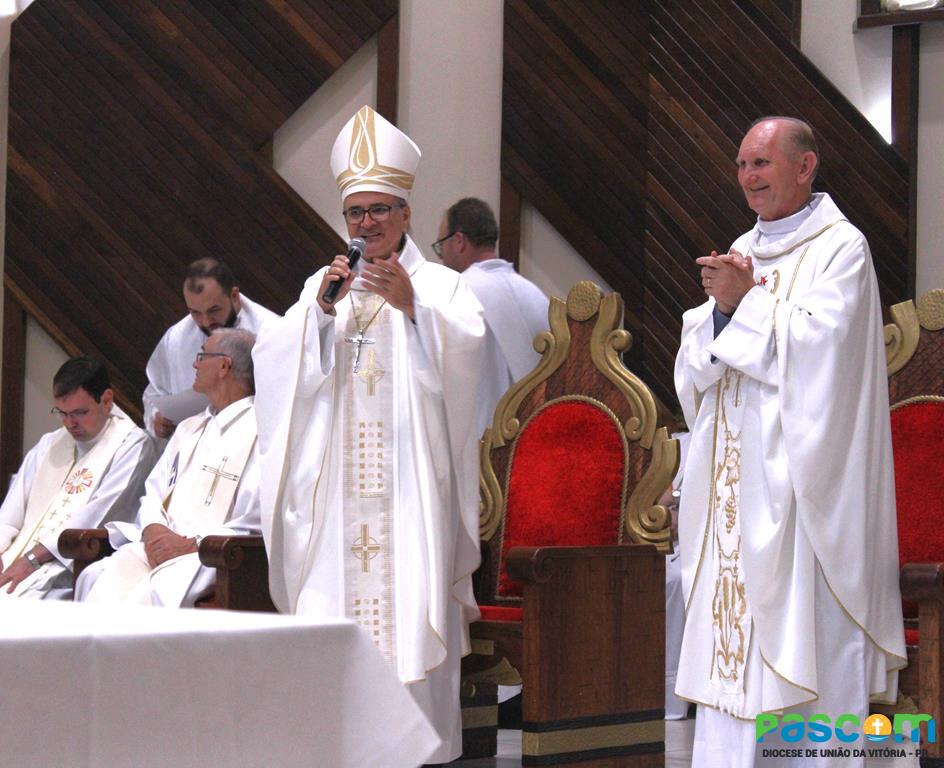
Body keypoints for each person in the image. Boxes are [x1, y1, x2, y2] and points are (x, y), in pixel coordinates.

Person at [253, 105, 487, 763]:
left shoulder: (442, 288)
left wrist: (414, 311)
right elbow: (276, 373)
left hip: (410, 499)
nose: (368, 224)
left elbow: (468, 363)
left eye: (380, 210)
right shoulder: (323, 288)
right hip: (337, 510)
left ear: (407, 212)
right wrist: (318, 321)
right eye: (357, 213)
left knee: (412, 624)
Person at [674, 116, 905, 766]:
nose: (749, 177)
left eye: (763, 163)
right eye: (743, 165)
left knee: (804, 652)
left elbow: (823, 349)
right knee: (734, 655)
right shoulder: (741, 247)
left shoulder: (842, 248)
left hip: (806, 500)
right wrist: (723, 311)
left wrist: (743, 304)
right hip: (737, 500)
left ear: (805, 167)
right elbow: (702, 357)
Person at [77, 329, 261, 607]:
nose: (194, 364)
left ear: (224, 366)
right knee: (94, 576)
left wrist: (191, 544)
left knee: (154, 593)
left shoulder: (260, 430)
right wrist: (153, 530)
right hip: (159, 547)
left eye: (202, 356)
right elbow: (154, 491)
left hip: (210, 556)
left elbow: (256, 516)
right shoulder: (189, 427)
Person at [0, 357, 156, 600]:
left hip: (67, 566)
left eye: (80, 413)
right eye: (62, 413)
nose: (70, 424)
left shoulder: (133, 446)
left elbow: (98, 515)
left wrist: (31, 559)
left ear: (106, 400)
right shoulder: (49, 444)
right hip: (17, 559)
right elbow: (10, 513)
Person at [435, 197, 549, 434]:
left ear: (458, 241)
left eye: (440, 246)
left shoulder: (457, 293)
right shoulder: (535, 294)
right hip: (537, 439)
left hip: (483, 446)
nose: (440, 257)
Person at [143, 257, 276, 440]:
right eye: (195, 312)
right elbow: (155, 393)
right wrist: (155, 418)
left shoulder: (272, 333)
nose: (205, 322)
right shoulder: (175, 339)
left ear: (234, 296)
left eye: (214, 310)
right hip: (196, 445)